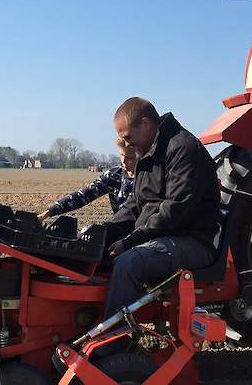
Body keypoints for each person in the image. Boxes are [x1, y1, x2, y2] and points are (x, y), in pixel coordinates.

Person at [102, 97, 220, 318]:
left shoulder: (183, 148)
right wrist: (103, 233)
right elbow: (135, 205)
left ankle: (109, 346)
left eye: (128, 137)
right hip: (163, 235)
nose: (127, 145)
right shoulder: (149, 153)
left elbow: (174, 210)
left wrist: (129, 242)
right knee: (99, 255)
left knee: (128, 263)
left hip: (192, 240)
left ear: (146, 124)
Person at [37, 138, 137, 222]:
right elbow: (83, 195)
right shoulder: (113, 175)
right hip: (118, 228)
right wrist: (48, 213)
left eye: (129, 158)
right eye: (122, 155)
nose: (123, 161)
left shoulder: (147, 179)